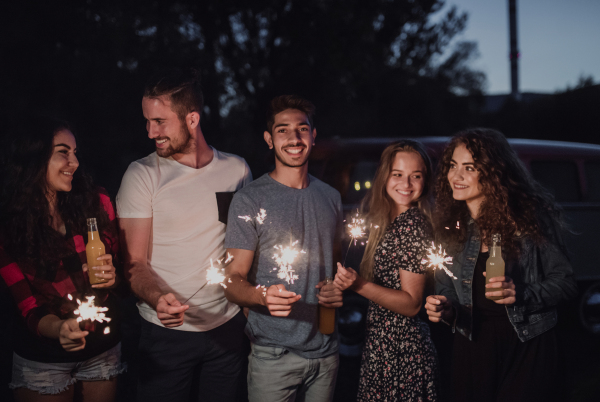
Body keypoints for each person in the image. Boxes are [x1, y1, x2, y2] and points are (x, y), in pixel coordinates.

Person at [116, 69, 252, 402]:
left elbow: (247, 247)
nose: (151, 132)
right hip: (166, 334)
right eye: (147, 121)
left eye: (159, 121)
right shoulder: (143, 175)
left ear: (192, 119)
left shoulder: (237, 171)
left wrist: (249, 312)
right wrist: (156, 298)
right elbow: (133, 262)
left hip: (228, 328)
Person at [424, 128, 578, 402]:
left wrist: (522, 294)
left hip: (527, 345)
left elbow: (565, 283)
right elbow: (446, 287)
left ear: (494, 171)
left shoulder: (529, 219)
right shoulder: (451, 227)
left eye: (469, 168)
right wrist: (445, 309)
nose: (455, 176)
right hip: (472, 348)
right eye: (452, 165)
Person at [223, 95, 343, 402]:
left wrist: (341, 286)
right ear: (269, 139)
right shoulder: (250, 199)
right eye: (282, 130)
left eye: (302, 129)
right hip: (273, 357)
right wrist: (260, 296)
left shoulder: (331, 197)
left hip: (327, 353)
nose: (294, 138)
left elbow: (336, 266)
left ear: (313, 136)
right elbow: (231, 280)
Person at [0, 116, 125, 401]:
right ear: (33, 158)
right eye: (63, 152)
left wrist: (114, 277)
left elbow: (123, 276)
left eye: (75, 153)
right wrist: (60, 329)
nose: (75, 163)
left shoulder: (97, 202)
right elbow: (28, 306)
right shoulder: (9, 229)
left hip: (102, 351)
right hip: (43, 360)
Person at [333, 140, 440, 401]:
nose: (406, 184)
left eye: (416, 176)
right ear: (385, 176)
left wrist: (358, 285)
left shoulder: (411, 225)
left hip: (403, 352)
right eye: (398, 175)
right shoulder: (388, 222)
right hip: (384, 348)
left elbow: (412, 304)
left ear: (425, 181)